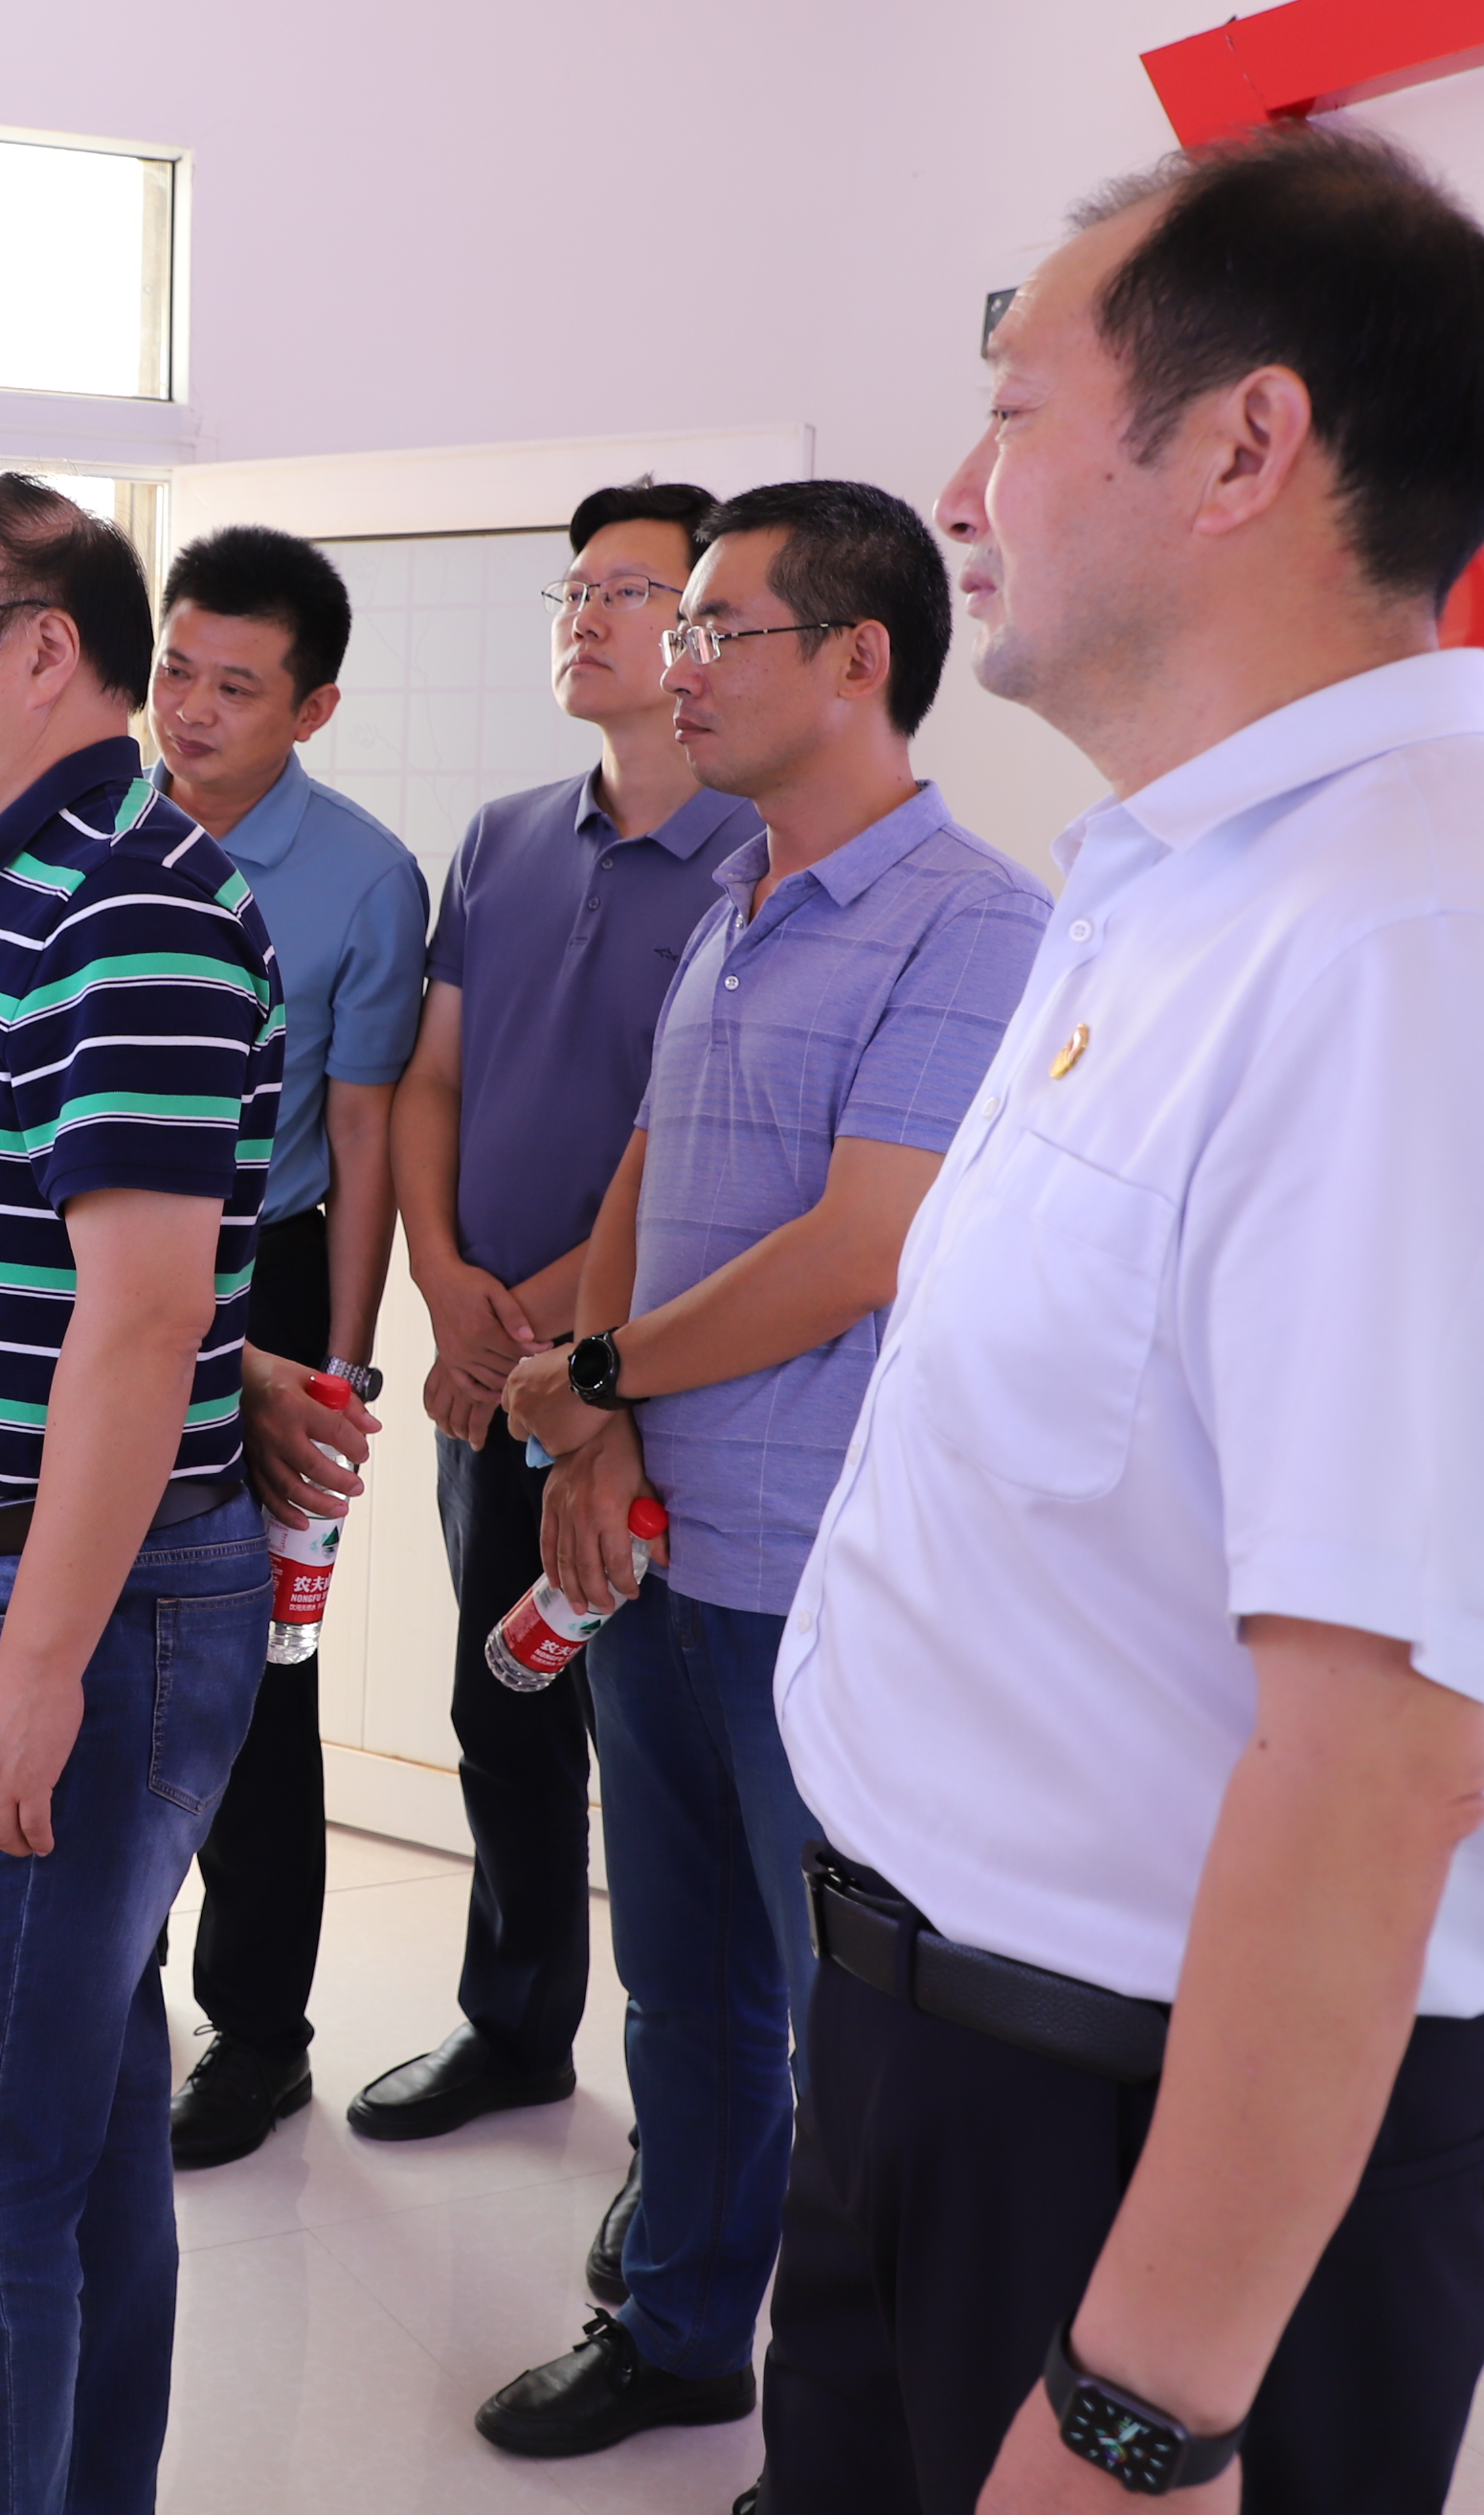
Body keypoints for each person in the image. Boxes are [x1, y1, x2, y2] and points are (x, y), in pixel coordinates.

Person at [752, 130, 1484, 2512]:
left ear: (1241, 444)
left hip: (1144, 2142)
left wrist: (1139, 2407)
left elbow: (1371, 1760)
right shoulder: (1182, 883)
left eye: (1015, 405)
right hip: (933, 2056)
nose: (959, 490)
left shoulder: (1419, 951)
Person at [473, 482, 1046, 2457]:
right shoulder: (735, 901)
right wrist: (604, 1427)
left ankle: (862, 2443)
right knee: (685, 1981)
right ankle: (682, 2325)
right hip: (659, 1540)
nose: (681, 664)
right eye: (679, 626)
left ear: (860, 658)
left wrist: (594, 1369)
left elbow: (857, 1246)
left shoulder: (977, 923)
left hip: (826, 1570)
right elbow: (648, 1168)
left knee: (853, 2027)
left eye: (721, 629)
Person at [0, 476, 281, 2515]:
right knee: (69, 2124)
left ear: (39, 650)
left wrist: (35, 1666)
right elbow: (95, 1252)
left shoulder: (129, 902)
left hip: (53, 1600)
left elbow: (141, 1307)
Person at [350, 482, 758, 2156]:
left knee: (669, 1761)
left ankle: (698, 2136)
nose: (585, 614)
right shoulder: (503, 838)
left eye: (629, 589)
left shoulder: (760, 852)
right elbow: (432, 1079)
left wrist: (557, 1339)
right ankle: (513, 2028)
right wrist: (444, 1285)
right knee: (503, 1700)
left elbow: (709, 1154)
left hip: (660, 1380)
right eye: (571, 588)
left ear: (706, 626)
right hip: (492, 1362)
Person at [141, 525, 426, 2169]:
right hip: (86, 1269)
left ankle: (257, 2035)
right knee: (95, 1642)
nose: (188, 710)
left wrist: (342, 1360)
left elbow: (364, 1124)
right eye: (175, 669)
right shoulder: (89, 831)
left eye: (235, 687)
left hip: (269, 1273)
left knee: (255, 1672)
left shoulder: (365, 878)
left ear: (311, 707)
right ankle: (107, 1992)